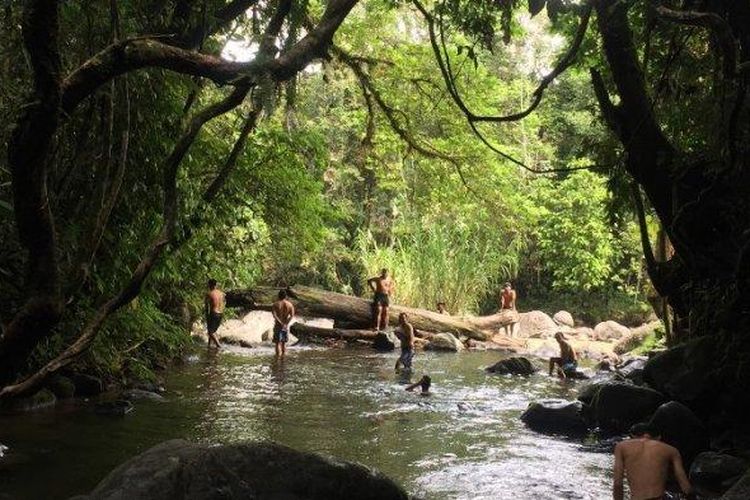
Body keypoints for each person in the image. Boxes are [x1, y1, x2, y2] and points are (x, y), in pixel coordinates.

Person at [613, 423, 695, 500]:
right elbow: (685, 486)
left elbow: (617, 483)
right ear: (659, 437)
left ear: (633, 435)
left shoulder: (621, 446)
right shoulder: (671, 450)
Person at [271, 289, 295, 358]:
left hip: (278, 326)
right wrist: (286, 323)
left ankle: (277, 358)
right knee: (284, 343)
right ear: (286, 296)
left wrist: (280, 322)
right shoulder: (290, 305)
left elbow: (274, 315)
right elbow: (292, 315)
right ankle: (283, 358)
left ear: (278, 296)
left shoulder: (275, 304)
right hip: (285, 326)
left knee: (278, 343)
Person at [204, 278, 225, 349]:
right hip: (220, 314)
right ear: (216, 285)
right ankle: (209, 345)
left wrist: (207, 316)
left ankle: (219, 346)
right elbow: (223, 303)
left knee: (210, 332)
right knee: (212, 330)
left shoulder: (209, 294)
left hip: (213, 313)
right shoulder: (221, 293)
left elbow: (206, 307)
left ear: (209, 285)